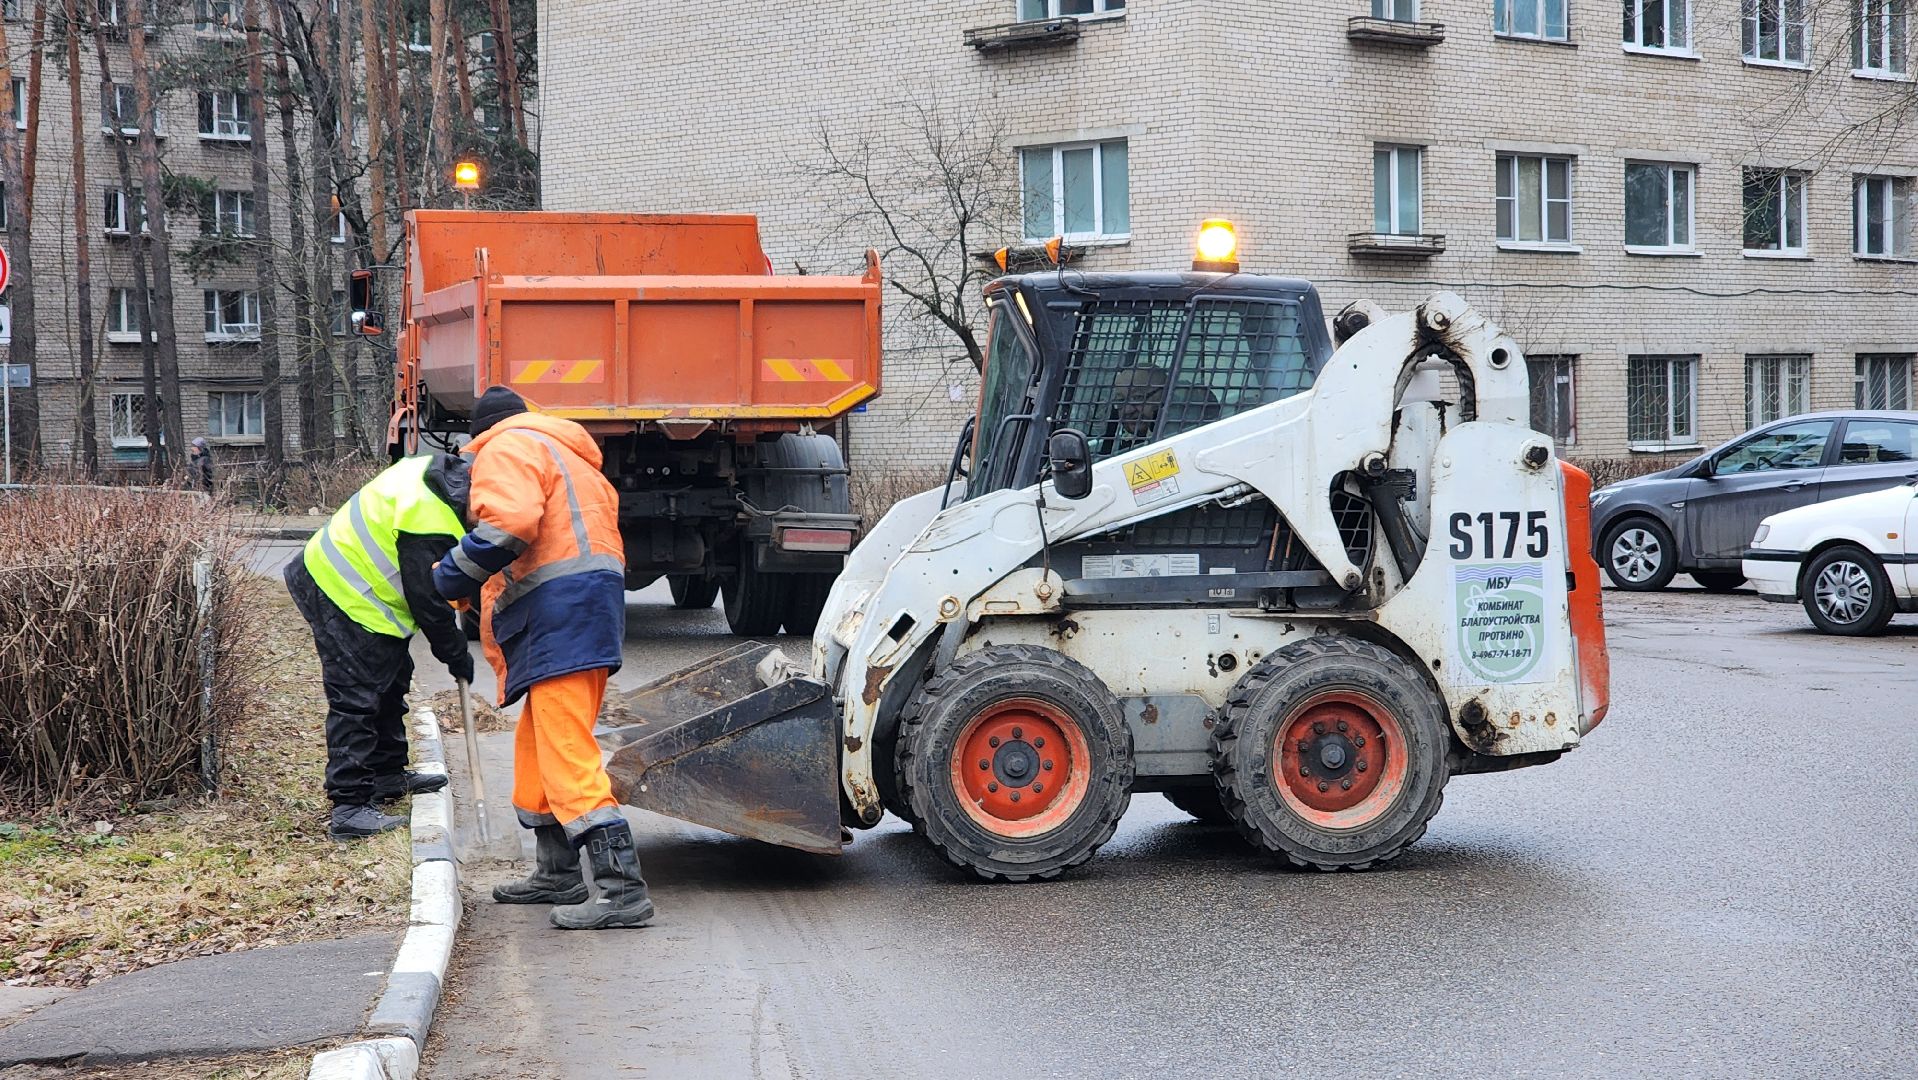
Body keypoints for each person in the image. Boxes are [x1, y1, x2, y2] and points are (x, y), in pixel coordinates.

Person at [433, 386, 653, 931]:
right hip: (581, 610)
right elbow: (543, 541)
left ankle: (622, 890)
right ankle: (557, 873)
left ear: (479, 433)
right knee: (537, 748)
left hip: (561, 614)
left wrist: (451, 574)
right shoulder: (563, 452)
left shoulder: (506, 448)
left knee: (565, 751)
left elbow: (509, 525)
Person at [284, 452, 477, 840]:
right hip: (339, 588)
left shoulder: (437, 472)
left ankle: (387, 774)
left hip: (361, 589)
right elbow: (428, 601)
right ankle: (350, 807)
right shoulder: (429, 517)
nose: (482, 525)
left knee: (392, 679)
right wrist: (456, 653)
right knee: (357, 696)